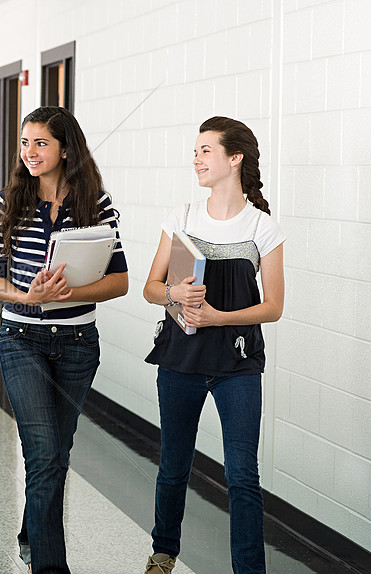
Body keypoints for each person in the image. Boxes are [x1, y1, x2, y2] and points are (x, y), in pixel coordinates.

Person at [0, 106, 129, 574]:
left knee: (56, 454)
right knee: (44, 453)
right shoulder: (8, 202)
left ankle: (32, 531)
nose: (29, 152)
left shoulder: (96, 205)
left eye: (40, 143)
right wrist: (30, 295)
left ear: (66, 148)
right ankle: (50, 567)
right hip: (20, 339)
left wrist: (69, 293)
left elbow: (120, 281)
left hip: (78, 344)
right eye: (24, 143)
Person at [142, 116, 285, 574]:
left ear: (234, 158)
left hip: (237, 367)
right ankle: (163, 553)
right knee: (174, 465)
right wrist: (173, 295)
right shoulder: (181, 217)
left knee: (242, 476)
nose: (197, 158)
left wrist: (221, 318)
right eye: (196, 150)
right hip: (179, 360)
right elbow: (150, 287)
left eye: (206, 150)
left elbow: (274, 306)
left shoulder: (263, 227)